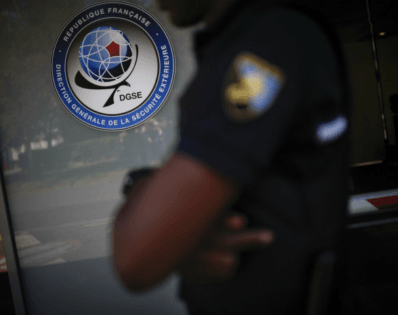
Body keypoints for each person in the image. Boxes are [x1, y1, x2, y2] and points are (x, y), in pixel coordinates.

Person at [113, 0, 351, 314]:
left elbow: (135, 256)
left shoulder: (272, 38)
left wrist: (156, 211)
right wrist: (174, 215)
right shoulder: (247, 38)